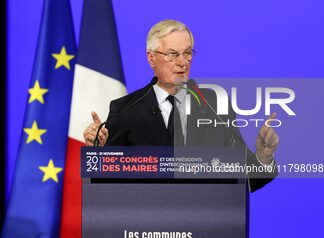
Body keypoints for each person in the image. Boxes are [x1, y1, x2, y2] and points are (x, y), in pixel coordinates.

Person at [83, 19, 279, 191]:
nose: (182, 62)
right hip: (145, 227)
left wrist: (263, 156)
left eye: (187, 53)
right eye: (172, 54)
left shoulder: (214, 104)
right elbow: (105, 184)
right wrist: (98, 152)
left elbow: (245, 178)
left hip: (206, 225)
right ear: (151, 58)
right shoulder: (126, 110)